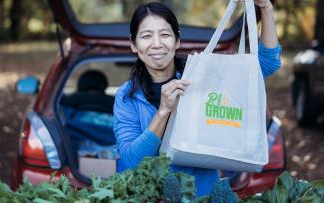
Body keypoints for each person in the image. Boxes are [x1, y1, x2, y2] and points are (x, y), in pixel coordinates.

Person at [113, 0, 281, 196]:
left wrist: (266, 9)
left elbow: (267, 64)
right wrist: (163, 111)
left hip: (203, 196)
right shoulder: (127, 96)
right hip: (147, 198)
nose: (156, 44)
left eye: (165, 34)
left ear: (177, 41)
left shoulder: (200, 77)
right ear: (134, 45)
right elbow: (133, 162)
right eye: (146, 36)